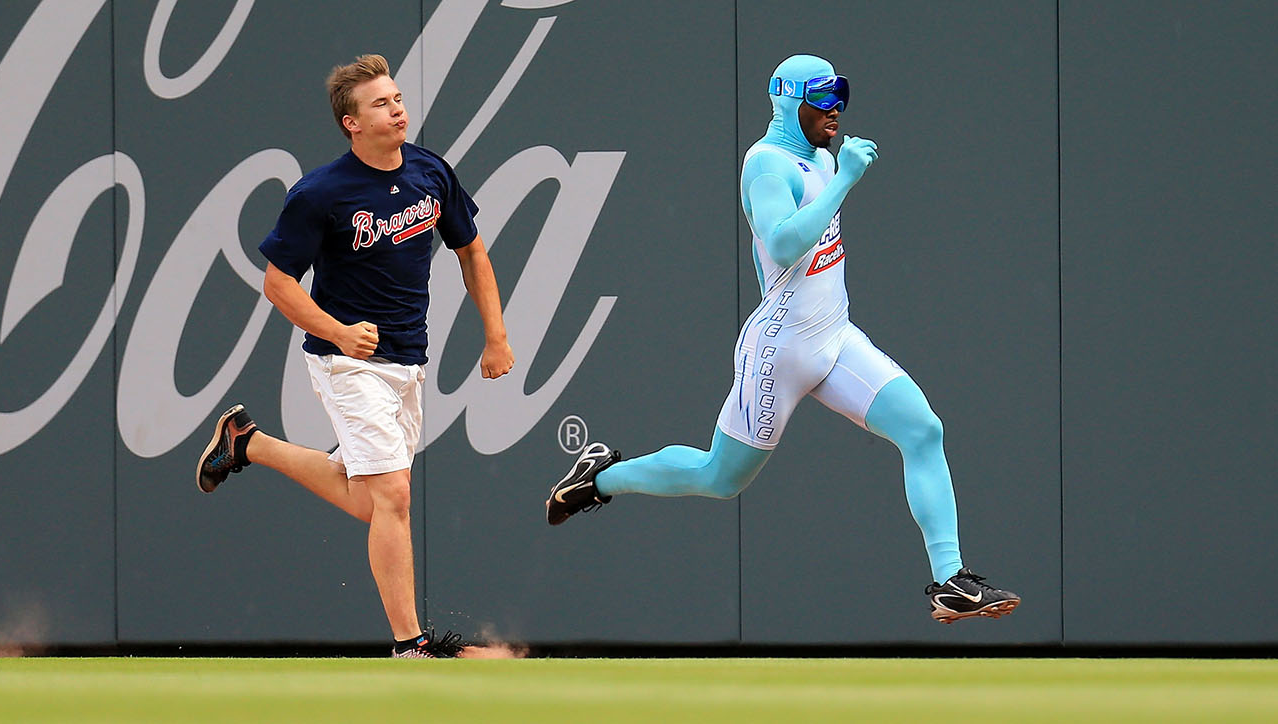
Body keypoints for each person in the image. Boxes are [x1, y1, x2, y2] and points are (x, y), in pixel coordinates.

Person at [545, 54, 1019, 624]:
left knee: (923, 430)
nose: (836, 111)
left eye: (840, 97)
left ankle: (951, 582)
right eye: (823, 100)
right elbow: (785, 242)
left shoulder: (817, 155)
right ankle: (600, 479)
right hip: (782, 349)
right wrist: (844, 180)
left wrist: (835, 171)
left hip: (835, 336)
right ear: (792, 103)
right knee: (719, 478)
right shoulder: (768, 166)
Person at [197, 54, 513, 657]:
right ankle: (410, 645)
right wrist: (339, 333)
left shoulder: (430, 172)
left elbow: (471, 251)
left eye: (397, 98)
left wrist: (495, 336)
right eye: (381, 103)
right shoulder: (321, 193)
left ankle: (248, 443)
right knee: (393, 496)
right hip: (347, 361)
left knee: (372, 500)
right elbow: (278, 283)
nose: (397, 109)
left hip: (406, 359)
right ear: (352, 122)